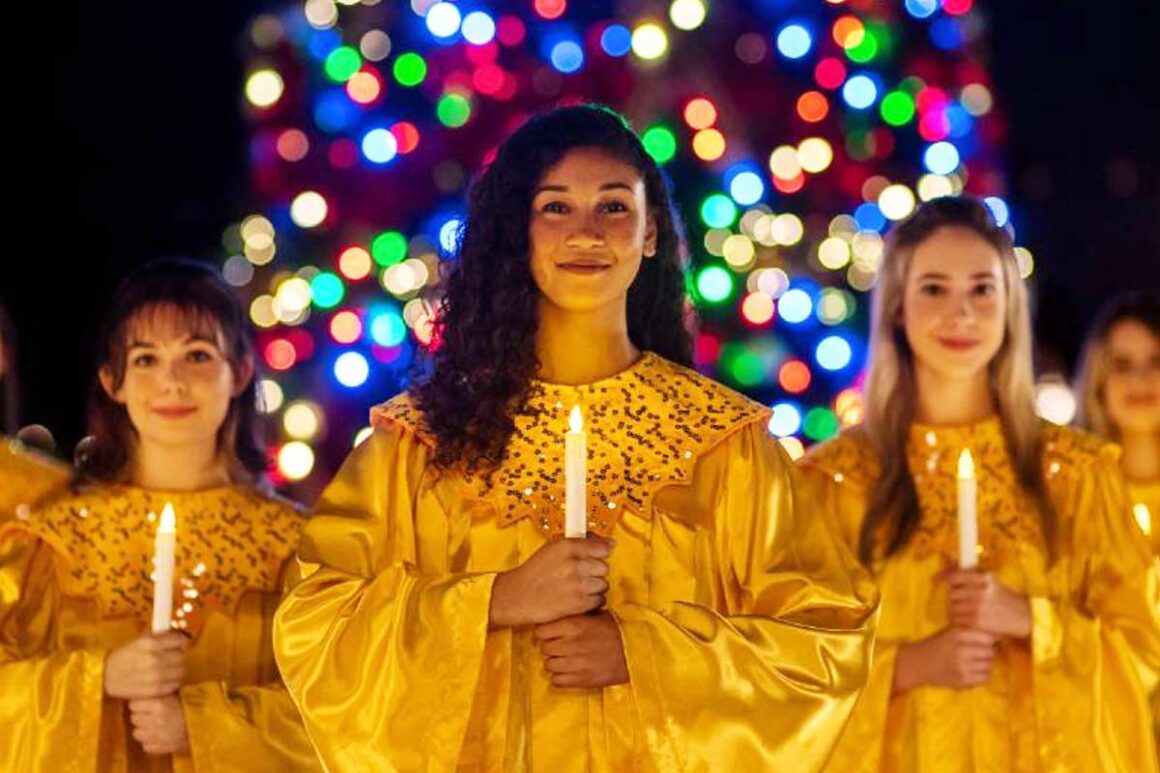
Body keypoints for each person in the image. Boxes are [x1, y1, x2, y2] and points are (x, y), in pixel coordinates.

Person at [274, 105, 878, 771]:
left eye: (614, 207)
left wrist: (643, 654)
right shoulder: (420, 443)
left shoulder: (723, 443)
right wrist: (495, 600)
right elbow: (315, 623)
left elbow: (826, 639)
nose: (587, 231)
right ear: (517, 233)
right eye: (556, 207)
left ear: (650, 233)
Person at [798, 197, 1160, 771]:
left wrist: (1030, 620)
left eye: (983, 290)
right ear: (897, 307)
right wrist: (905, 667)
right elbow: (780, 673)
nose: (961, 314)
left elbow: (1142, 654)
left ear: (1011, 306)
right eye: (935, 289)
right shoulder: (833, 482)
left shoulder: (1078, 475)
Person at [0, 259, 319, 771]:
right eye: (146, 359)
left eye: (196, 354)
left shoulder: (300, 549)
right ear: (113, 381)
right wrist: (96, 677)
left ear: (238, 372)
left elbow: (347, 713)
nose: (172, 381)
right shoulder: (49, 541)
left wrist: (206, 724)